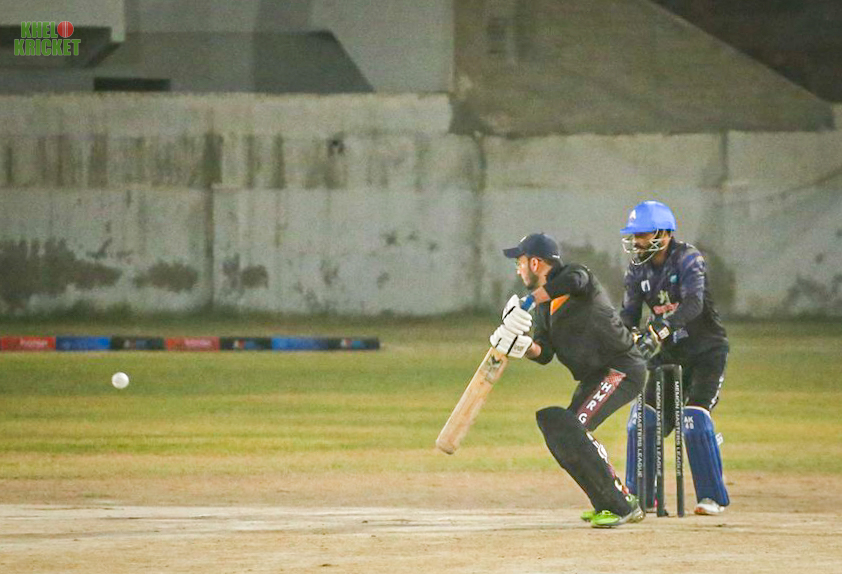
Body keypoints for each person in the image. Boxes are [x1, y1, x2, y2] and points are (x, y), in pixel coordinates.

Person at [490, 232, 647, 528]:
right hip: (594, 376)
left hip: (620, 367)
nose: (518, 269)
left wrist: (526, 302)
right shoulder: (545, 309)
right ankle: (610, 502)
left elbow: (573, 282)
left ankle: (620, 504)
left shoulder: (577, 277)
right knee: (561, 431)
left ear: (535, 263)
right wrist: (521, 346)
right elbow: (545, 352)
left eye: (520, 262)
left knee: (573, 428)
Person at [618, 200, 730, 516]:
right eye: (634, 235)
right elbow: (628, 315)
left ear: (664, 233)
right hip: (668, 356)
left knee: (693, 420)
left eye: (643, 234)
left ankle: (712, 497)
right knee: (642, 420)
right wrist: (626, 338)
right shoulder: (637, 269)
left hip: (706, 352)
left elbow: (693, 304)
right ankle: (641, 496)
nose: (637, 241)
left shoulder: (688, 258)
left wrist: (660, 328)